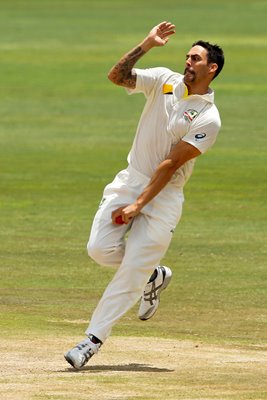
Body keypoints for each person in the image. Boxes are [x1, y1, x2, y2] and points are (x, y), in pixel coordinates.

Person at [64, 21, 224, 369]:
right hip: (129, 179)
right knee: (99, 249)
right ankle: (153, 275)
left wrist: (140, 205)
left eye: (195, 58)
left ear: (212, 68)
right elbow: (117, 77)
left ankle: (91, 341)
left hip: (164, 198)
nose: (187, 62)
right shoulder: (164, 80)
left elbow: (169, 165)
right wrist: (147, 44)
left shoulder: (209, 118)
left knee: (130, 272)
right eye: (186, 56)